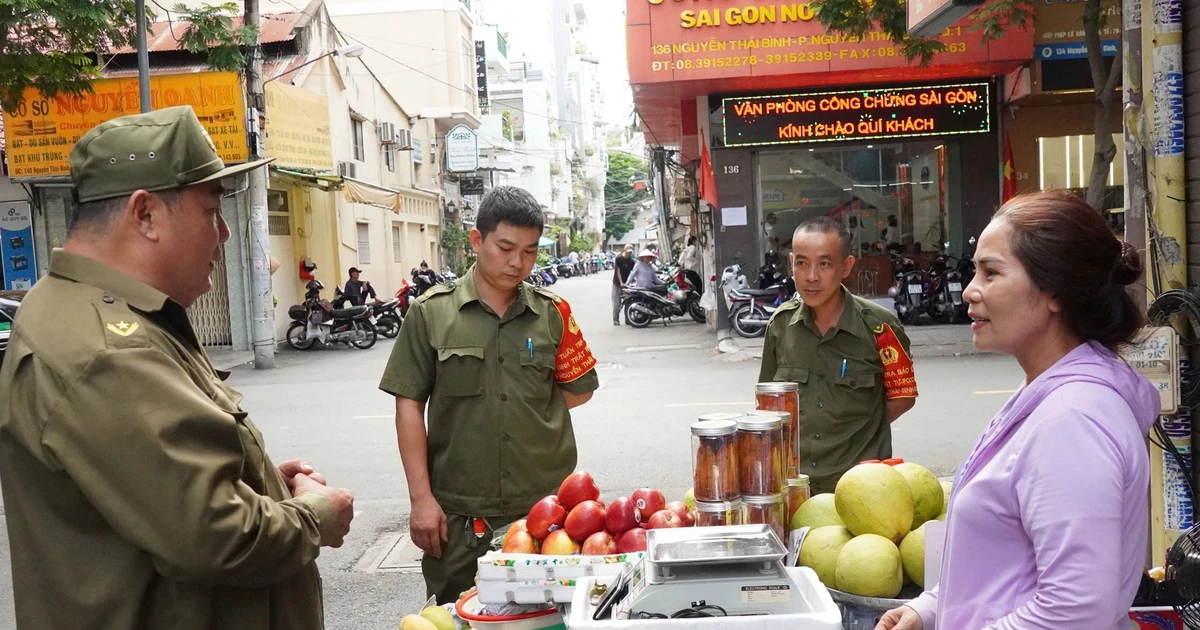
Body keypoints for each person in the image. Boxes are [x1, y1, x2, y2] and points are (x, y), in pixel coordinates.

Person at [0, 107, 355, 629]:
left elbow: (144, 485)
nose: (224, 235)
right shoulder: (108, 351)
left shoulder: (86, 309)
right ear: (145, 216)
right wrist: (317, 515)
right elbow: (216, 538)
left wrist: (260, 484)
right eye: (211, 212)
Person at [877, 191, 1156, 630]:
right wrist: (928, 608)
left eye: (991, 273)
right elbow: (1007, 563)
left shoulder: (1073, 420)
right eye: (974, 271)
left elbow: (1076, 610)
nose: (970, 290)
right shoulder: (1047, 391)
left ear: (1055, 292)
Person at [380, 186, 600, 604]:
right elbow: (408, 403)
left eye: (531, 251)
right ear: (477, 241)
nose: (518, 262)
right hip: (461, 517)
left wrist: (528, 406)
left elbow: (579, 391)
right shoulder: (431, 313)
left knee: (547, 616)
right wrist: (421, 500)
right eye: (506, 247)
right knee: (457, 613)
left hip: (546, 514)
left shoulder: (554, 314)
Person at [758, 217, 917, 494]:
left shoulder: (880, 327)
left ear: (846, 267)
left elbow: (903, 398)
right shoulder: (780, 326)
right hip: (797, 488)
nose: (811, 277)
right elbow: (768, 405)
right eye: (802, 263)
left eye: (825, 264)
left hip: (865, 488)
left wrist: (855, 434)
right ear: (791, 263)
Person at [612, 245, 636, 326]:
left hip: (626, 284)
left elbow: (633, 273)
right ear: (624, 250)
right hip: (617, 283)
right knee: (617, 304)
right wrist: (621, 282)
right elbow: (618, 271)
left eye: (630, 252)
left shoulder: (631, 261)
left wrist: (630, 283)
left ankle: (628, 320)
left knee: (628, 302)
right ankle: (616, 320)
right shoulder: (618, 259)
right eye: (628, 252)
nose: (629, 254)